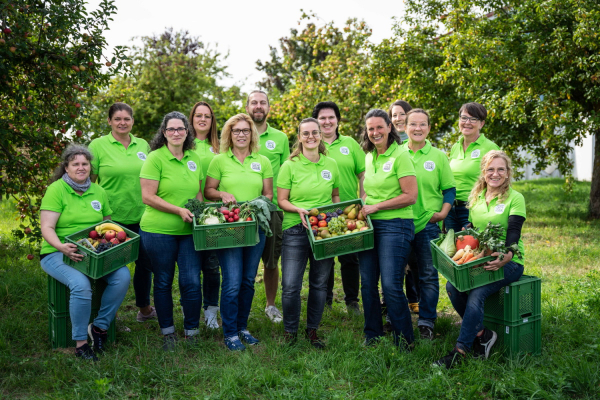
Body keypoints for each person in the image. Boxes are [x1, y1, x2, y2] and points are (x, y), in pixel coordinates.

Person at [435, 150, 526, 368]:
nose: (495, 174)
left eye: (500, 169)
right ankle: (483, 335)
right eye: (491, 169)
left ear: (507, 172)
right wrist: (467, 231)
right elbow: (475, 229)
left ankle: (460, 351)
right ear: (484, 172)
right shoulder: (476, 197)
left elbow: (513, 233)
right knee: (453, 287)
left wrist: (506, 257)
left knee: (476, 292)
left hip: (509, 262)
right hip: (481, 259)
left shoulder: (515, 198)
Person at [40, 144, 130, 361]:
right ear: (67, 168)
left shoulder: (98, 191)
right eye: (75, 164)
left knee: (122, 276)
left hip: (93, 252)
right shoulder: (57, 190)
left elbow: (107, 224)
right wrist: (61, 247)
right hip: (57, 252)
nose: (81, 168)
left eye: (85, 163)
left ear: (90, 166)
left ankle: (99, 327)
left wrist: (111, 246)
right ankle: (81, 344)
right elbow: (47, 227)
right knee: (80, 285)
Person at [204, 113, 273, 351]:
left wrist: (256, 206)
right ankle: (230, 332)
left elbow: (269, 194)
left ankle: (243, 327)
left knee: (247, 281)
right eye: (236, 131)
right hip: (230, 228)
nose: (241, 135)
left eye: (245, 130)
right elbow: (208, 190)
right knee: (232, 282)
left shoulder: (262, 161)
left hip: (255, 227)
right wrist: (222, 195)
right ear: (229, 135)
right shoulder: (220, 160)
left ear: (252, 133)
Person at [139, 111, 204, 351]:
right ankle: (168, 333)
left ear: (187, 132)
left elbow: (198, 193)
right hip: (158, 231)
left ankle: (192, 330)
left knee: (191, 281)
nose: (176, 133)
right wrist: (178, 210)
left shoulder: (194, 158)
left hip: (189, 231)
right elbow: (148, 196)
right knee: (164, 280)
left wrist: (199, 213)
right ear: (164, 133)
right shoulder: (155, 158)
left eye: (180, 129)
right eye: (171, 129)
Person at [88, 102, 156, 326]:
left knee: (145, 265)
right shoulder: (98, 145)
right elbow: (90, 184)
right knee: (113, 269)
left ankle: (144, 308)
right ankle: (112, 315)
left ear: (132, 121)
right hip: (111, 218)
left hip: (142, 215)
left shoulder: (143, 145)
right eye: (117, 119)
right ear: (109, 121)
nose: (122, 122)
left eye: (127, 118)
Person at [277, 118, 340, 349]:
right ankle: (290, 332)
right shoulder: (289, 166)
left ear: (321, 135)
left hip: (322, 229)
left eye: (315, 133)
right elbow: (281, 200)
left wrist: (335, 216)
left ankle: (312, 331)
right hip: (295, 228)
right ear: (300, 137)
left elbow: (335, 197)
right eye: (306, 133)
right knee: (291, 284)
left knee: (319, 283)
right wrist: (298, 210)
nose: (311, 137)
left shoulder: (331, 164)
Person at [358, 109, 418, 348]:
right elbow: (367, 192)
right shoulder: (369, 157)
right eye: (370, 128)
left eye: (379, 127)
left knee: (392, 284)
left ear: (389, 128)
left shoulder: (401, 155)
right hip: (371, 225)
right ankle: (372, 335)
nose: (375, 132)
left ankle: (405, 340)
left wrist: (377, 207)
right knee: (368, 282)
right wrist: (362, 205)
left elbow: (411, 196)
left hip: (396, 224)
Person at [402, 109, 456, 340]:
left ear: (429, 128)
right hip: (400, 223)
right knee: (395, 274)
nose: (417, 128)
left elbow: (449, 189)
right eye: (413, 124)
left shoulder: (438, 156)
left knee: (427, 274)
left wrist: (443, 212)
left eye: (422, 124)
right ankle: (396, 319)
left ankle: (426, 322)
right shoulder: (396, 154)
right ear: (405, 127)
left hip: (428, 223)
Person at [312, 101, 365, 315]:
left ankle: (352, 301)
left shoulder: (350, 144)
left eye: (331, 117)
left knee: (350, 258)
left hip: (348, 209)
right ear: (316, 121)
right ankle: (325, 301)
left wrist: (363, 198)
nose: (327, 121)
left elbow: (363, 173)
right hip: (322, 210)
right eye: (322, 118)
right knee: (325, 258)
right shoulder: (311, 143)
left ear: (337, 120)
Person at [246, 90, 289, 324]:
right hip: (242, 210)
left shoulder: (280, 138)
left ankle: (271, 305)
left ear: (269, 107)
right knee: (244, 261)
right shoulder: (238, 133)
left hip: (272, 210)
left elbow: (284, 173)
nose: (258, 106)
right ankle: (242, 304)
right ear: (247, 107)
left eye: (263, 102)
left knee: (271, 260)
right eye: (254, 103)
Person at [189, 101, 221, 329]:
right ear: (191, 119)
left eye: (207, 116)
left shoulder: (220, 147)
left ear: (212, 121)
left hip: (212, 213)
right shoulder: (184, 144)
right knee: (190, 267)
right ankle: (189, 308)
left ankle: (211, 311)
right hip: (188, 211)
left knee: (211, 265)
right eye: (198, 115)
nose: (202, 119)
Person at [387, 99, 420, 315]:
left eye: (401, 114)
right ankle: (391, 301)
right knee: (398, 261)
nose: (398, 118)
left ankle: (415, 299)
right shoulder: (390, 144)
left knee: (415, 259)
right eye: (394, 115)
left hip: (416, 208)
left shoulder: (418, 141)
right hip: (394, 208)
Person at [446, 102, 500, 232]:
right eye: (464, 118)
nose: (467, 122)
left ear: (481, 124)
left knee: (471, 249)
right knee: (451, 250)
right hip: (450, 209)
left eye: (473, 119)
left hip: (473, 208)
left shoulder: (490, 148)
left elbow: (500, 181)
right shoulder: (455, 147)